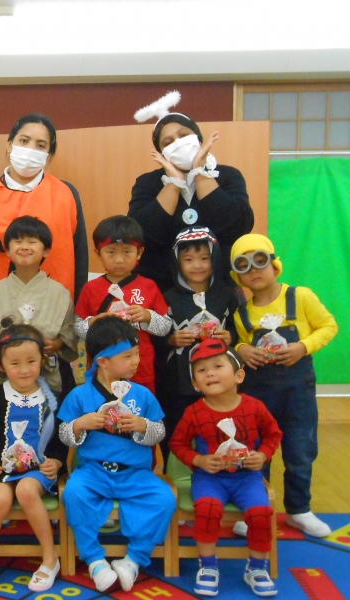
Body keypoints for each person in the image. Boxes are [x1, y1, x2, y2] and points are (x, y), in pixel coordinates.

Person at [230, 234, 338, 538]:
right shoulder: (241, 313)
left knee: (300, 449)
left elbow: (328, 326)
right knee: (255, 450)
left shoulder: (300, 296)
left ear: (274, 265)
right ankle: (256, 509)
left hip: (297, 389)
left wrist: (303, 347)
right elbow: (239, 342)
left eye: (260, 261)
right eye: (244, 265)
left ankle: (299, 509)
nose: (254, 270)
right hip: (258, 390)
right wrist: (242, 350)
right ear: (238, 277)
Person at [59, 316, 175, 593]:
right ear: (102, 361)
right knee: (74, 493)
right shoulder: (79, 395)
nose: (136, 361)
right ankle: (94, 560)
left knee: (164, 498)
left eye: (137, 354)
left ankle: (134, 560)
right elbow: (64, 434)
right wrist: (79, 424)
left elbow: (160, 432)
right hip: (93, 471)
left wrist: (143, 427)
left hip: (135, 473)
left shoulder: (142, 394)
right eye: (128, 356)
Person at [169, 339, 282, 597]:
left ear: (239, 375)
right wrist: (199, 460)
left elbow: (273, 435)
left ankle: (256, 568)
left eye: (218, 366)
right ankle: (208, 565)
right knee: (208, 509)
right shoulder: (194, 412)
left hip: (248, 479)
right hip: (209, 479)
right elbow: (177, 444)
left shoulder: (255, 407)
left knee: (262, 513)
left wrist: (263, 456)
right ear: (195, 384)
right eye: (201, 370)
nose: (210, 373)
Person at [0, 324, 67, 595]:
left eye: (31, 361)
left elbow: (62, 440)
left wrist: (57, 462)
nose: (24, 370)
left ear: (42, 361)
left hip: (38, 470)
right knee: (0, 498)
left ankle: (50, 558)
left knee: (25, 490)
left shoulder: (53, 400)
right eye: (15, 363)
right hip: (1, 468)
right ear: (0, 365)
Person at [129, 91, 254, 291]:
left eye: (184, 135)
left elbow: (236, 228)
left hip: (221, 289)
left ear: (198, 137)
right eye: (168, 142)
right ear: (161, 153)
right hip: (160, 289)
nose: (178, 143)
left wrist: (200, 173)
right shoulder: (147, 183)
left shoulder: (228, 176)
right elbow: (142, 237)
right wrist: (174, 183)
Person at [0, 113, 88, 302]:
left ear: (49, 155)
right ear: (9, 144)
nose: (30, 150)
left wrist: (80, 308)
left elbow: (80, 253)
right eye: (24, 141)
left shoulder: (67, 193)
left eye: (41, 145)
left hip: (52, 304)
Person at [157, 226, 241, 465]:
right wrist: (171, 339)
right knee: (177, 429)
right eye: (188, 260)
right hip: (179, 381)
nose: (197, 265)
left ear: (216, 260)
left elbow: (239, 329)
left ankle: (219, 467)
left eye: (205, 258)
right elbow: (156, 334)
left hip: (219, 381)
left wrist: (230, 337)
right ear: (177, 263)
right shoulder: (168, 297)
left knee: (216, 427)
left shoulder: (227, 295)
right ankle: (176, 472)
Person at [0, 216, 77, 395]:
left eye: (32, 241)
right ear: (7, 250)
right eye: (18, 241)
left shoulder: (60, 293)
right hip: (4, 374)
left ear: (46, 250)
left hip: (45, 374)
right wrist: (2, 346)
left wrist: (55, 344)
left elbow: (68, 329)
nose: (24, 247)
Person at [73, 216, 171, 392]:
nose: (119, 260)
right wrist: (93, 324)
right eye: (111, 252)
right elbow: (77, 327)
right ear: (98, 254)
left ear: (139, 253)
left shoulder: (148, 286)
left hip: (140, 371)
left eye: (127, 252)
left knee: (140, 407)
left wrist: (147, 316)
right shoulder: (90, 288)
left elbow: (165, 327)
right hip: (102, 373)